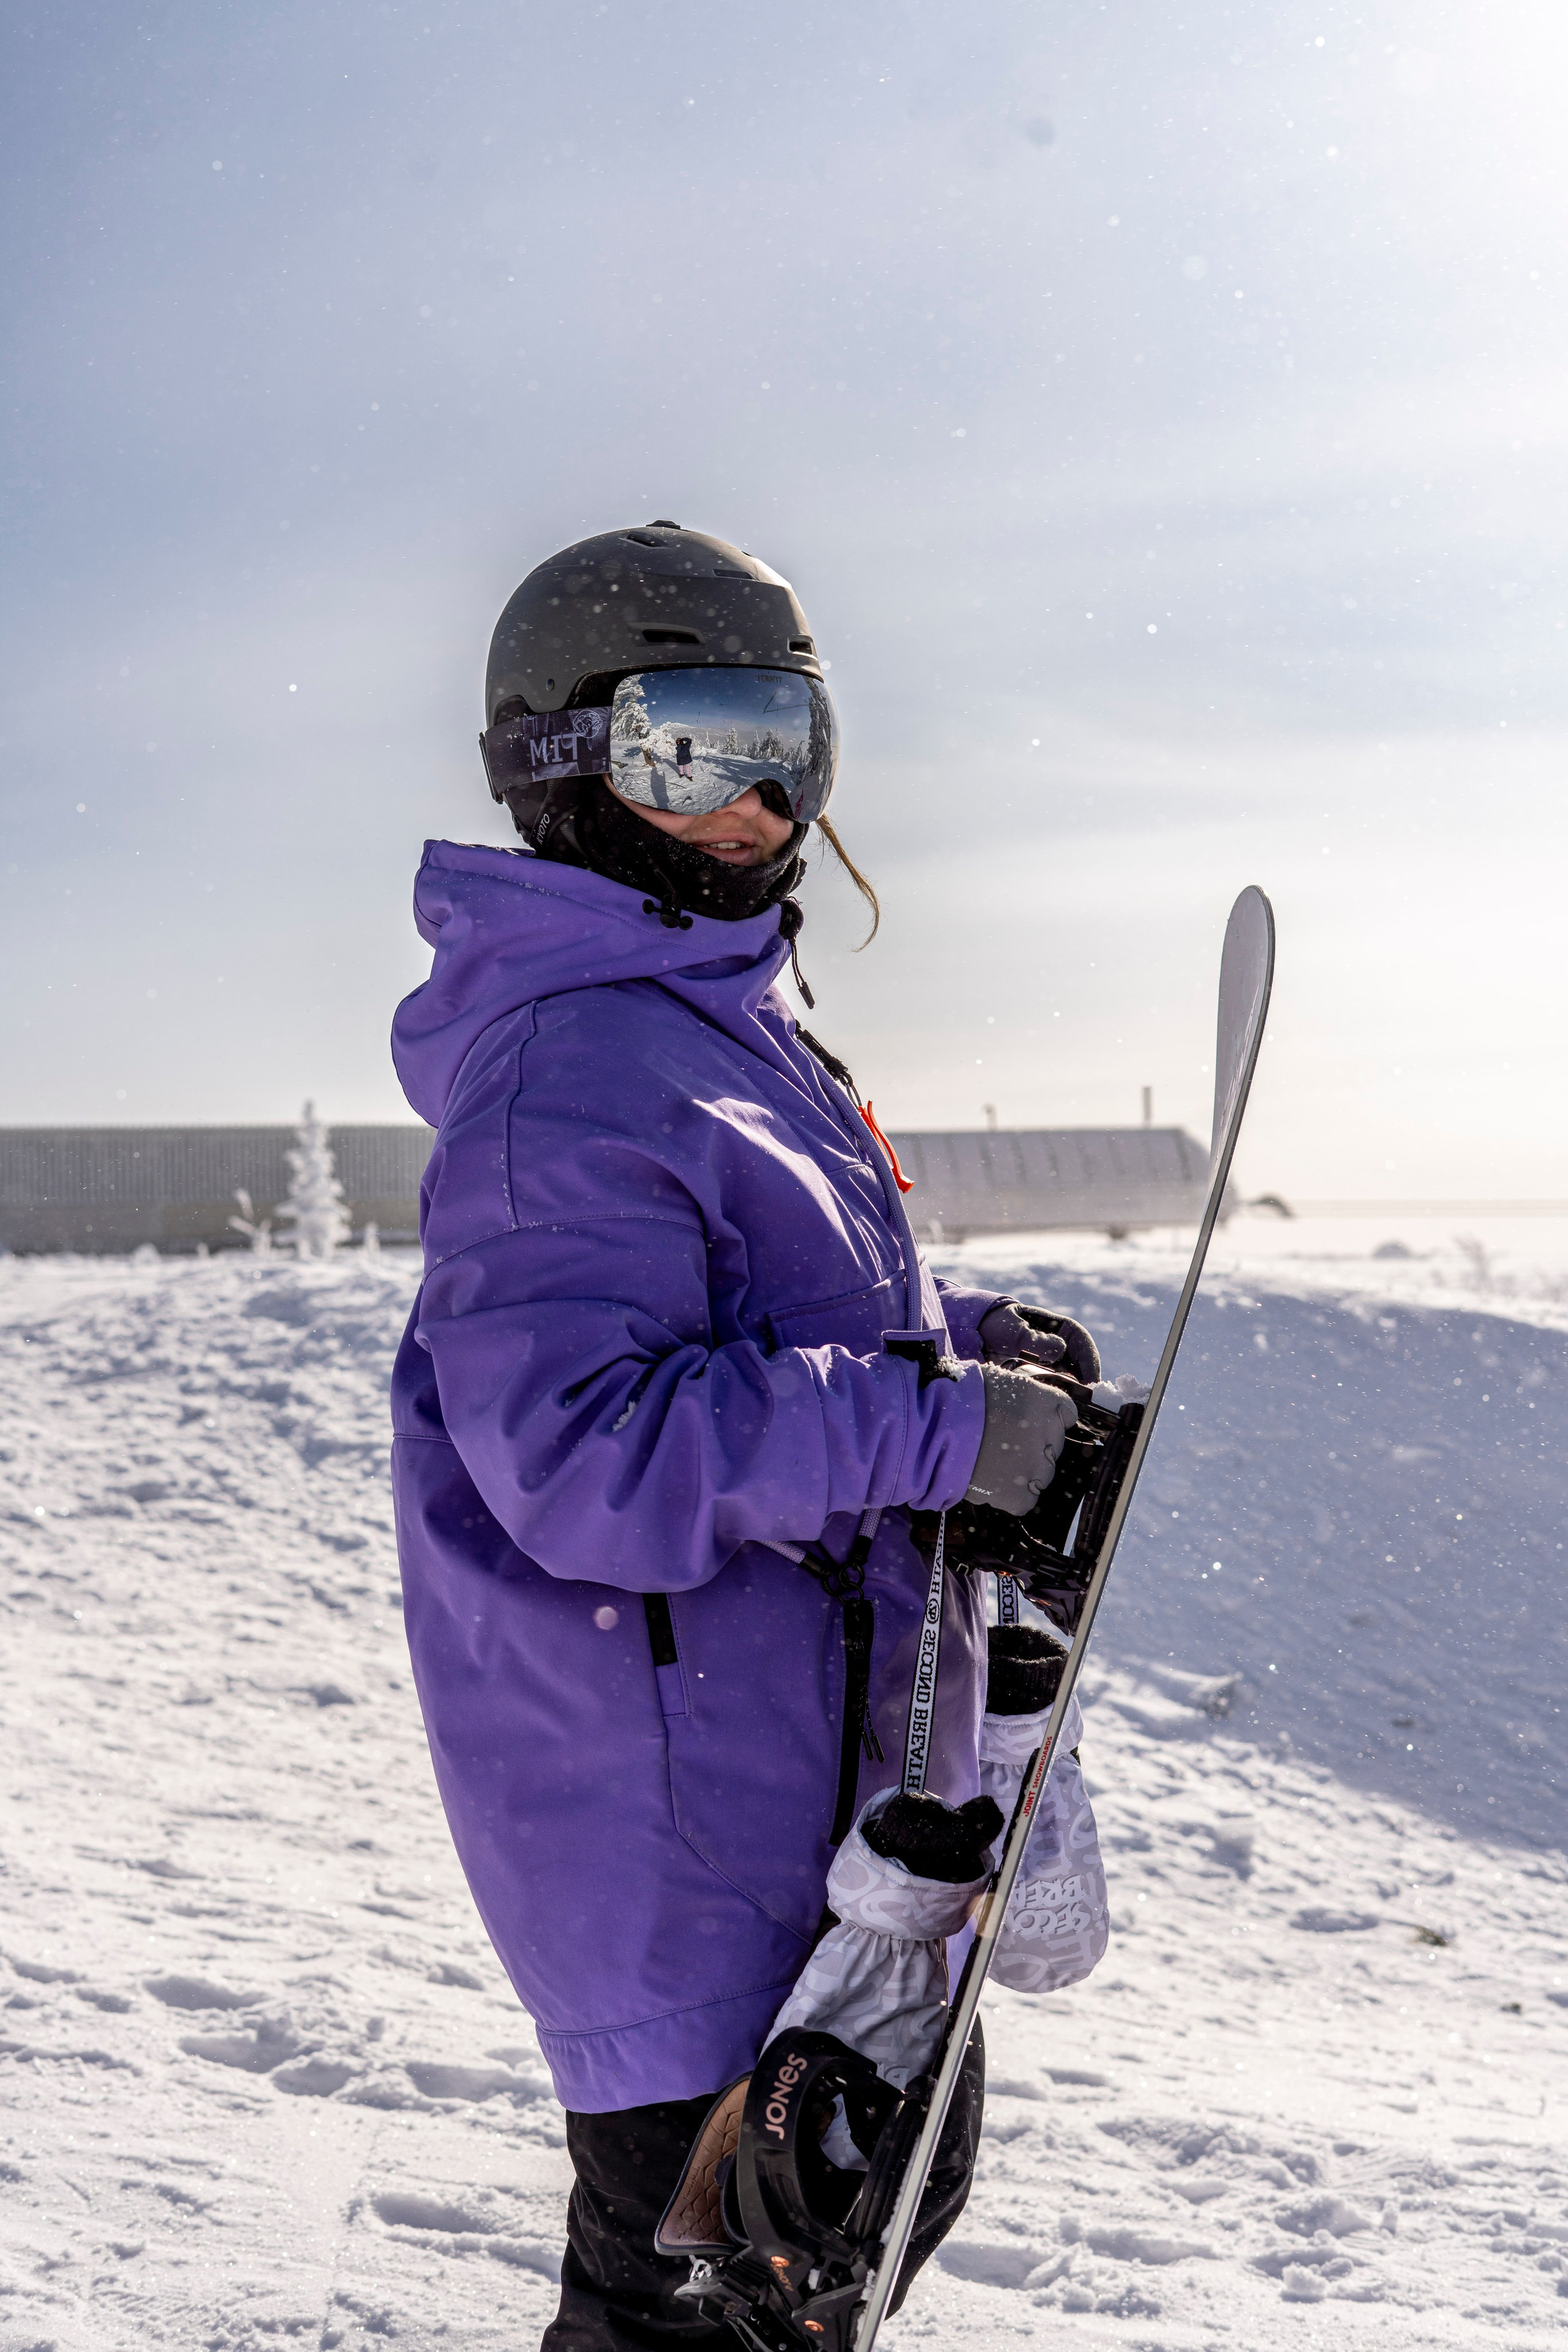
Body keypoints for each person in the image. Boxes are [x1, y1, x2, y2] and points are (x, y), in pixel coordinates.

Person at [389, 521, 1104, 2349]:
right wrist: (932, 1434)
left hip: (816, 1810)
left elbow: (765, 1329)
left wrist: (970, 1360)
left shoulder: (724, 1031)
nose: (762, 805)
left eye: (789, 741)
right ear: (566, 763)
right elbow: (584, 1452)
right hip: (681, 1844)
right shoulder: (570, 1068)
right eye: (693, 748)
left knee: (833, 2253)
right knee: (712, 2310)